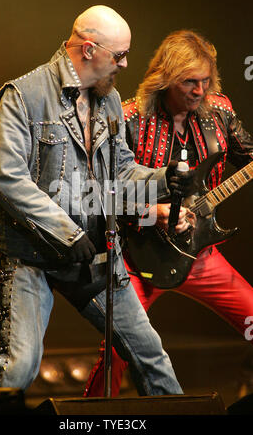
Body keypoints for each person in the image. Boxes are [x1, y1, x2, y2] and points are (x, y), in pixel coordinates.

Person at [0, 6, 189, 396]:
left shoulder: (108, 101)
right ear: (89, 49)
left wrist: (163, 180)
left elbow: (121, 174)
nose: (125, 64)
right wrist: (67, 232)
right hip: (31, 257)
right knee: (18, 370)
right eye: (119, 55)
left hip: (96, 254)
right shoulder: (23, 96)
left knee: (152, 357)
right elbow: (7, 180)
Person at [84, 29, 253, 397]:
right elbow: (97, 194)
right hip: (136, 256)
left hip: (199, 254)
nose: (200, 91)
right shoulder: (128, 119)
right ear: (165, 80)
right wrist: (151, 212)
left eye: (206, 81)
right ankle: (89, 417)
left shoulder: (219, 111)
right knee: (117, 349)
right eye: (190, 82)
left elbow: (248, 155)